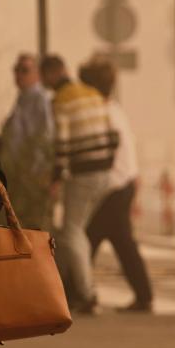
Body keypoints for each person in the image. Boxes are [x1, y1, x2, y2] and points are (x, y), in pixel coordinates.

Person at [41, 54, 118, 315]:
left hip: (83, 173)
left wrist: (55, 177)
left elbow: (61, 144)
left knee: (71, 232)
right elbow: (113, 134)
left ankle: (87, 293)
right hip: (104, 172)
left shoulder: (61, 101)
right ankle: (64, 288)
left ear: (51, 75)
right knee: (75, 232)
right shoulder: (91, 93)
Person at [80, 57, 153, 313]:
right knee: (117, 242)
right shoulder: (113, 109)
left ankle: (78, 293)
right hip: (121, 184)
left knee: (89, 240)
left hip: (114, 187)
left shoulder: (103, 113)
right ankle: (142, 295)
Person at [0, 53, 54, 230]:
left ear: (37, 74)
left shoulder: (40, 98)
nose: (19, 75)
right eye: (16, 70)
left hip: (31, 178)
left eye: (25, 70)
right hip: (18, 178)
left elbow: (45, 137)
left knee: (34, 229)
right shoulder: (23, 98)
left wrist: (35, 173)